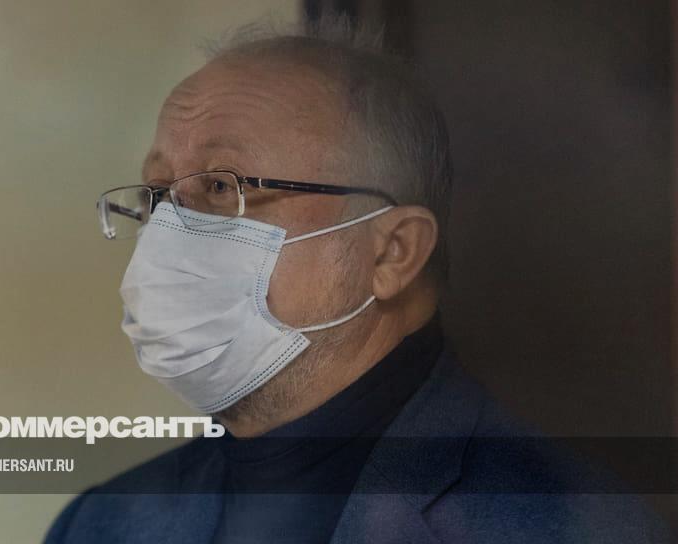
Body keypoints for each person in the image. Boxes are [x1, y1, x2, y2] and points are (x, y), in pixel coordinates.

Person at [46, 18, 669, 544]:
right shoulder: (99, 523)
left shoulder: (567, 527)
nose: (169, 231)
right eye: (159, 193)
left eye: (220, 186)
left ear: (393, 252)